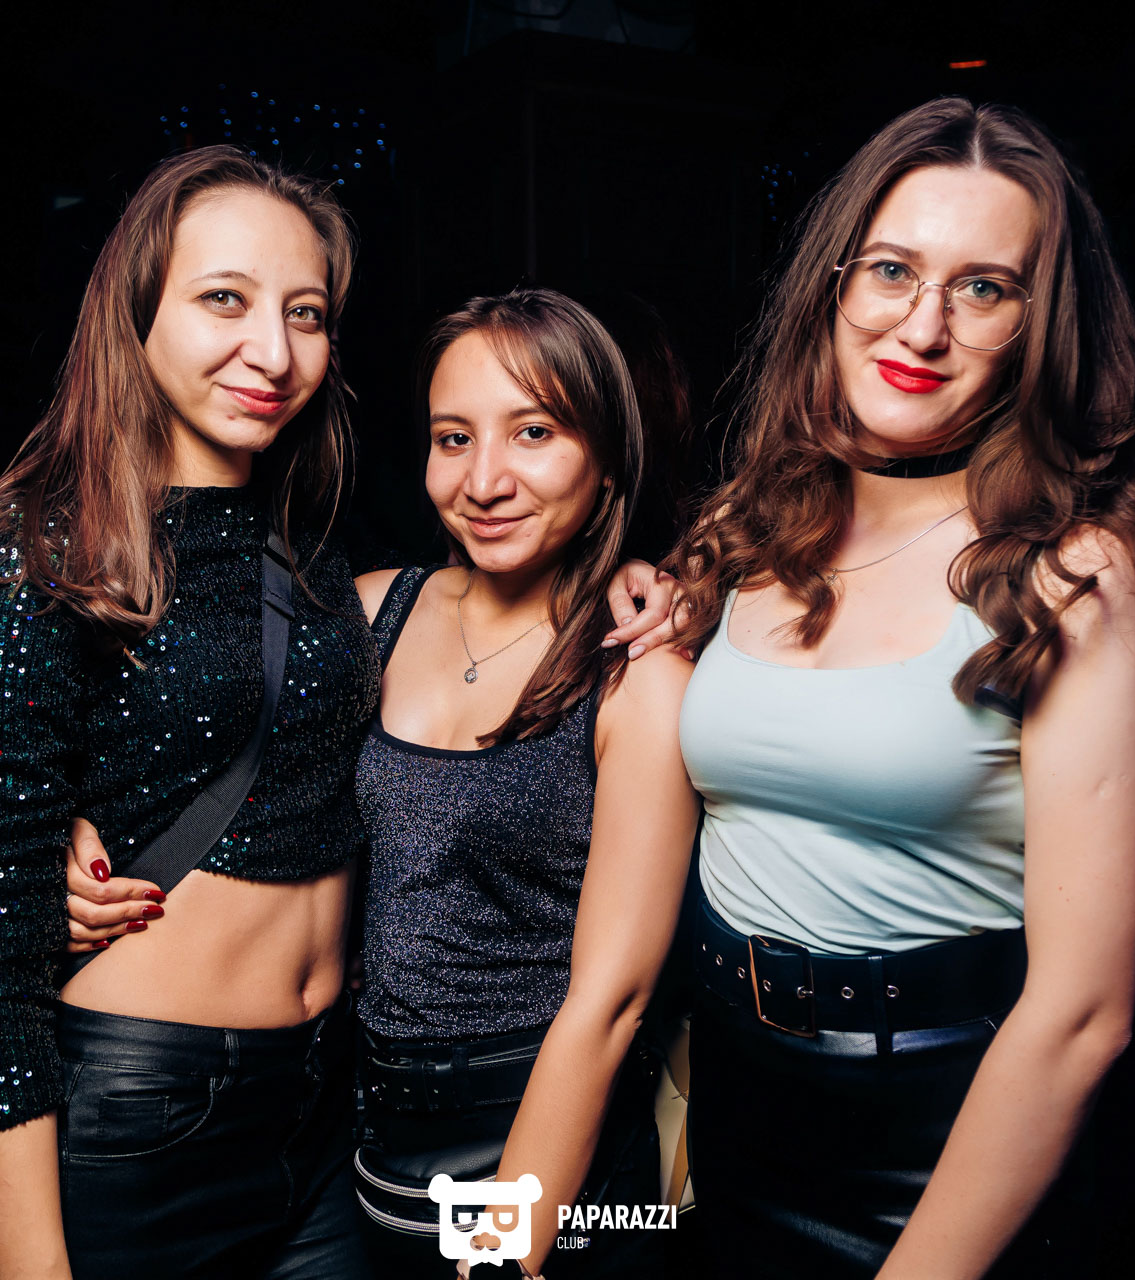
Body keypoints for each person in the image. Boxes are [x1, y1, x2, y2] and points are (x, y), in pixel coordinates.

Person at [0, 147, 677, 1279]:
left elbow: (485, 609)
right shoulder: (38, 548)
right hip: (144, 1107)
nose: (273, 351)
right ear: (136, 310)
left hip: (333, 1117)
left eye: (306, 313)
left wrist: (651, 577)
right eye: (224, 299)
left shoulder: (324, 555)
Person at [662, 97, 1135, 1277]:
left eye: (983, 288)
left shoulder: (1071, 578)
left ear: (1038, 328)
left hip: (941, 1139)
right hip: (732, 1109)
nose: (922, 326)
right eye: (892, 270)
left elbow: (1082, 1015)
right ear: (833, 285)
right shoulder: (751, 526)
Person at [68, 289, 701, 1279]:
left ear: (609, 458)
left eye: (533, 432)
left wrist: (504, 1247)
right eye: (454, 437)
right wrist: (79, 832)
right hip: (366, 1144)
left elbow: (612, 1003)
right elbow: (185, 746)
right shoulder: (371, 615)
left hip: (540, 1144)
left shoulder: (638, 674)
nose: (484, 479)